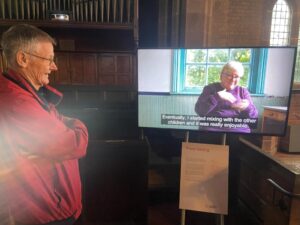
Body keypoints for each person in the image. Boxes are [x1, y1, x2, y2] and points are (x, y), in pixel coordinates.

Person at [0, 24, 88, 225]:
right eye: (49, 59)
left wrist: (58, 122)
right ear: (23, 59)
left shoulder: (20, 92)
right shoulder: (18, 104)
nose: (54, 66)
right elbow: (76, 143)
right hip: (47, 214)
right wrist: (77, 123)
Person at [195, 61, 258, 133]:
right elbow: (200, 111)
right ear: (221, 75)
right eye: (229, 75)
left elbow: (254, 119)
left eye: (236, 76)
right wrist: (216, 97)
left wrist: (247, 107)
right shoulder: (210, 89)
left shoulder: (243, 91)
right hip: (212, 130)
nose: (233, 79)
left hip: (238, 131)